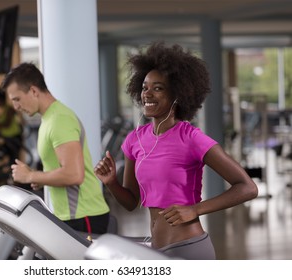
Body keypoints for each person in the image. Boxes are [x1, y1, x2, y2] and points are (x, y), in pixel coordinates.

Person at [94, 41, 258, 259]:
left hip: (188, 247)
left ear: (177, 95)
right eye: (145, 87)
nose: (148, 94)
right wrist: (111, 182)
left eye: (158, 88)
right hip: (157, 249)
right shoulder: (134, 139)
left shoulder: (191, 138)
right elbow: (131, 202)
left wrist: (195, 209)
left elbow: (248, 188)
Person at [1, 62, 110, 236]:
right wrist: (39, 177)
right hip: (71, 215)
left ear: (34, 91)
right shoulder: (48, 119)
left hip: (84, 216)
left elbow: (74, 174)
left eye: (17, 99)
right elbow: (61, 169)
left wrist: (30, 175)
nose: (15, 107)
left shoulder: (59, 119)